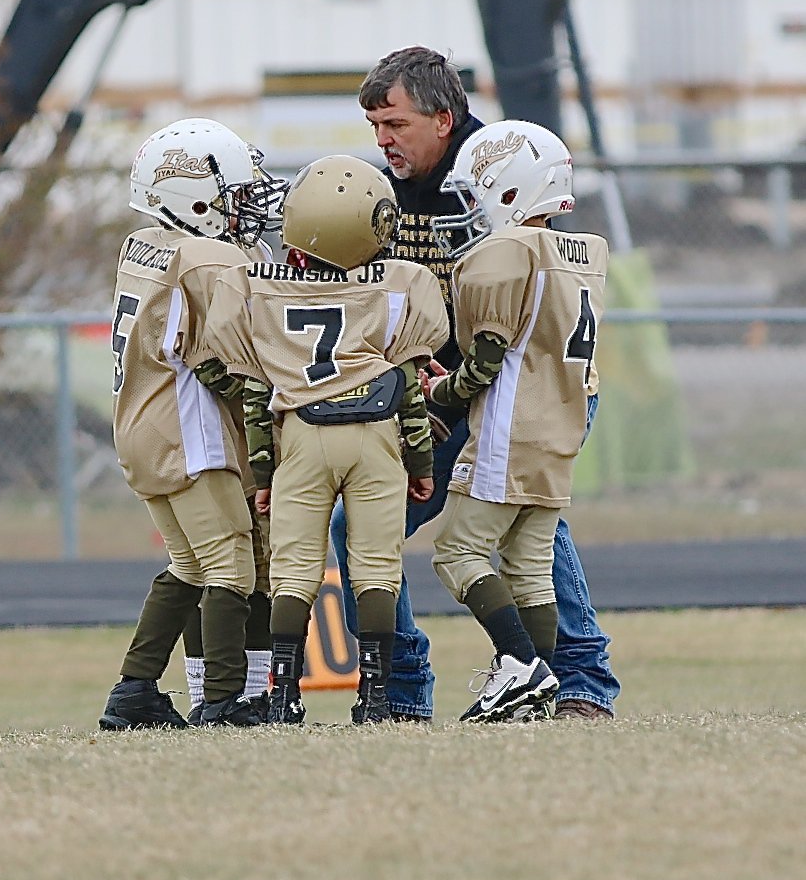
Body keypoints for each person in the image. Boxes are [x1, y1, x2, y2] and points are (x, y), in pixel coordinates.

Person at [330, 45, 620, 720]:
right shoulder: (392, 191)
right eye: (374, 126)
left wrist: (448, 389)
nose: (383, 141)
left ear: (444, 117)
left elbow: (522, 317)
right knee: (364, 524)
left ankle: (575, 680)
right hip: (445, 388)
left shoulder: (499, 173)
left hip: (511, 387)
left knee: (520, 527)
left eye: (394, 124)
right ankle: (402, 693)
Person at [204, 155, 449, 725]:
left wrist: (262, 475)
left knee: (293, 570)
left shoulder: (253, 290)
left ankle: (285, 695)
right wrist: (421, 461)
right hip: (378, 435)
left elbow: (255, 396)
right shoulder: (399, 286)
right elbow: (408, 384)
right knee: (376, 567)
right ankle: (378, 694)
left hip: (302, 434)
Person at [98, 116, 286, 730]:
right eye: (233, 195)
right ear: (194, 197)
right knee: (230, 564)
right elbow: (223, 354)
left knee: (187, 564)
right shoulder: (204, 258)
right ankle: (223, 699)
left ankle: (135, 688)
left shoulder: (146, 245)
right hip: (188, 429)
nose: (243, 209)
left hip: (142, 425)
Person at [419, 118, 607, 722]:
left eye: (477, 196)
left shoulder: (505, 254)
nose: (470, 214)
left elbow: (486, 361)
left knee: (456, 552)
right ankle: (541, 684)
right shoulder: (581, 252)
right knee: (528, 567)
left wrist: (442, 390)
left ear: (509, 190)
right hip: (561, 423)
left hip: (510, 424)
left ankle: (520, 668)